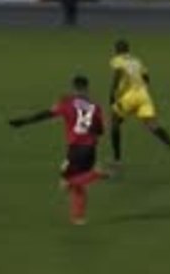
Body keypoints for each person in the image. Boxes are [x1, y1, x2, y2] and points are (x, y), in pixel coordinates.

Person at [8, 75, 108, 225]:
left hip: (76, 149)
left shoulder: (67, 103)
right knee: (77, 184)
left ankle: (96, 174)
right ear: (87, 88)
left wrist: (23, 121)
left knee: (66, 181)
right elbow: (100, 130)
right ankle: (78, 218)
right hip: (91, 149)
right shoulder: (95, 107)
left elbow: (46, 115)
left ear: (74, 88)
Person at [109, 40, 170, 166]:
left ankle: (117, 160)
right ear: (128, 49)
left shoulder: (117, 60)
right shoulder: (137, 61)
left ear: (117, 50)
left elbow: (117, 75)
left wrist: (112, 94)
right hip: (143, 94)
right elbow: (146, 78)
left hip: (130, 96)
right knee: (152, 126)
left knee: (115, 123)